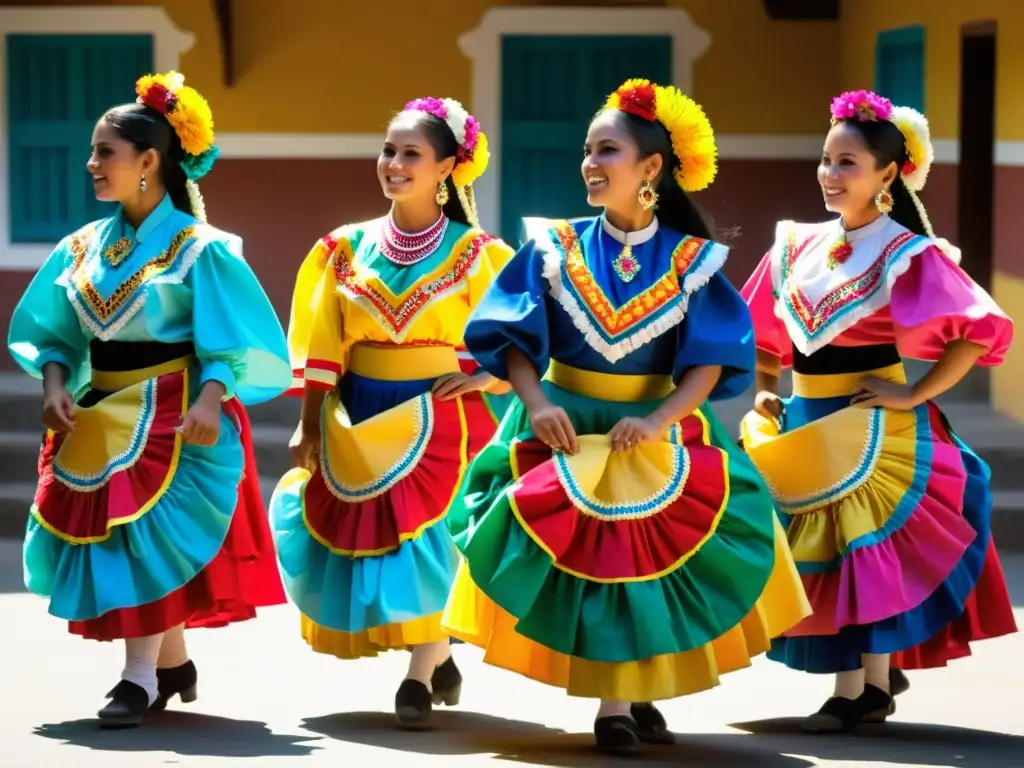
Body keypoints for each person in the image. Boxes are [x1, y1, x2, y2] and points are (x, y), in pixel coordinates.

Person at [439, 79, 812, 755]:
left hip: (652, 426)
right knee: (596, 564)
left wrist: (664, 418)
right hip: (564, 421)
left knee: (648, 566)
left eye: (606, 149)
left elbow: (705, 362)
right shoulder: (553, 246)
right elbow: (515, 341)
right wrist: (538, 402)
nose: (589, 162)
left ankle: (630, 695)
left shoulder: (693, 262)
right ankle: (617, 704)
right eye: (587, 149)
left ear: (651, 170)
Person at [8, 71, 292, 728]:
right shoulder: (78, 248)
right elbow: (52, 332)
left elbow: (232, 338)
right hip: (97, 412)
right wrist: (54, 386)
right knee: (122, 543)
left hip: (171, 413)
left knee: (142, 538)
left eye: (104, 152)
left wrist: (211, 399)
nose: (91, 164)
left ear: (149, 161)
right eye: (93, 152)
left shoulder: (202, 251)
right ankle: (172, 663)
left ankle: (137, 679)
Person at [739, 90, 1017, 733]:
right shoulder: (795, 244)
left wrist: (915, 394)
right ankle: (875, 672)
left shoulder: (907, 252)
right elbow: (762, 327)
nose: (830, 176)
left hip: (873, 422)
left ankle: (859, 690)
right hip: (809, 420)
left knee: (865, 551)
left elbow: (978, 331)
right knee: (827, 553)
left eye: (848, 164)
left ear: (888, 176)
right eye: (827, 160)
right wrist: (766, 383)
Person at [271, 97, 514, 729]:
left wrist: (488, 379)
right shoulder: (342, 249)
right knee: (376, 542)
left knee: (430, 542)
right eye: (389, 150)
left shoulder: (479, 253)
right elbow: (323, 343)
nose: (394, 164)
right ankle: (434, 653)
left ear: (447, 169)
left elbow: (518, 338)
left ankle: (418, 674)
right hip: (360, 416)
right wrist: (308, 418)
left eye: (412, 154)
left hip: (444, 420)